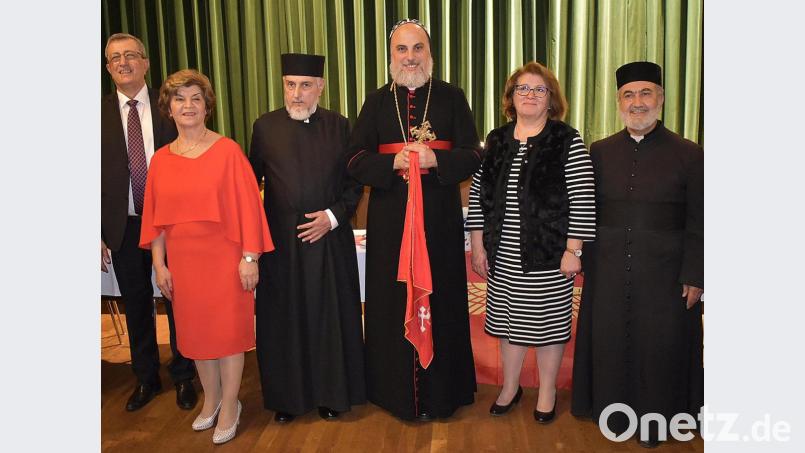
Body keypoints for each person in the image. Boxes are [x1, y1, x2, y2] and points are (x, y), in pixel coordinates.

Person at [347, 19, 481, 421]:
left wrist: (436, 158)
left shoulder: (452, 97)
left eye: (417, 48)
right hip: (390, 223)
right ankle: (395, 394)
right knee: (391, 302)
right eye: (402, 50)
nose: (410, 57)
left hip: (438, 220)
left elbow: (475, 154)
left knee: (442, 302)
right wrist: (393, 162)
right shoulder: (375, 102)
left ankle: (444, 394)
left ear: (430, 54)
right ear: (391, 57)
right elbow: (354, 159)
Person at [570, 61, 703, 448]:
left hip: (666, 275)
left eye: (646, 93)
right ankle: (610, 411)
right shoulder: (599, 151)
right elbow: (584, 209)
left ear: (661, 98)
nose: (637, 102)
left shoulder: (690, 154)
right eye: (629, 95)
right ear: (618, 102)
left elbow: (701, 221)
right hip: (609, 270)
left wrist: (696, 274)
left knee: (660, 348)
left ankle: (658, 421)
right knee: (611, 342)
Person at [139, 69, 274, 445]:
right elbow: (156, 219)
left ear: (206, 106)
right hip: (183, 260)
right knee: (197, 335)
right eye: (180, 98)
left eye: (195, 98)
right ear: (168, 107)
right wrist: (159, 264)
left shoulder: (227, 150)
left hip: (225, 258)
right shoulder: (161, 160)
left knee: (228, 336)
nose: (188, 106)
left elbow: (250, 208)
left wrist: (250, 257)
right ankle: (211, 399)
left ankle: (231, 404)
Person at [466, 62, 596, 423]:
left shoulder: (566, 140)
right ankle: (510, 387)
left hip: (549, 255)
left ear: (551, 99)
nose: (530, 95)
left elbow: (583, 198)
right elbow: (479, 195)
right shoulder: (497, 139)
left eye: (539, 90)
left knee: (546, 324)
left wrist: (574, 250)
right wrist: (478, 246)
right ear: (510, 97)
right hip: (503, 254)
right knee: (509, 322)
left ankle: (548, 391)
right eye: (522, 89)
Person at [249, 53, 366, 424]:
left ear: (320, 88)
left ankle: (332, 395)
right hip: (281, 246)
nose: (296, 94)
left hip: (329, 241)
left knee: (327, 318)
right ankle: (289, 397)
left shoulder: (340, 126)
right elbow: (250, 187)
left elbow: (354, 184)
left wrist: (331, 218)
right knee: (286, 320)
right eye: (289, 84)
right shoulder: (264, 127)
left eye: (304, 85)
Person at [101, 33, 197, 412]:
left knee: (178, 302)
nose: (122, 63)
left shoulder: (171, 107)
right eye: (114, 58)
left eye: (129, 55)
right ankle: (145, 377)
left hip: (171, 227)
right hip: (122, 227)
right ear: (108, 69)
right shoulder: (92, 114)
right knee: (137, 304)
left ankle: (184, 375)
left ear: (145, 62)